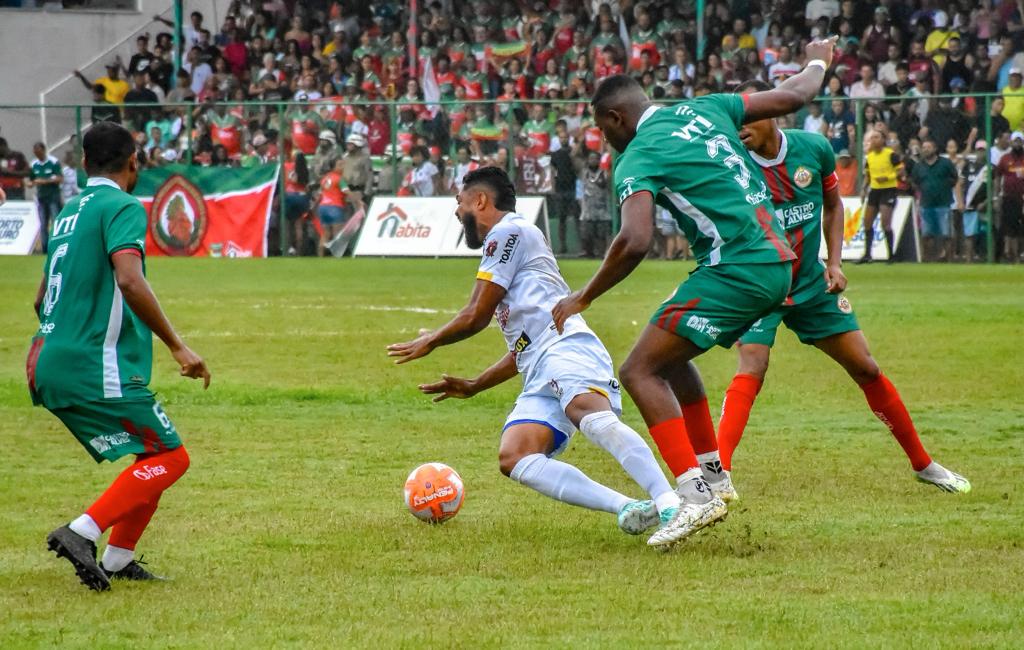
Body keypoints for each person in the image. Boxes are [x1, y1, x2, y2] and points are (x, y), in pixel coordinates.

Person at [551, 39, 840, 544]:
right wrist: (818, 58)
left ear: (616, 118)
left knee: (638, 370)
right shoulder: (708, 106)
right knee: (669, 355)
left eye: (602, 129)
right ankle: (715, 475)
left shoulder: (638, 154)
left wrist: (584, 296)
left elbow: (635, 239)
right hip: (780, 261)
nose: (605, 140)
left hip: (739, 266)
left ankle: (693, 495)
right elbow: (796, 94)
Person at [387, 166, 687, 548]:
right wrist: (477, 384)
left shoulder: (508, 232)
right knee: (515, 456)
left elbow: (475, 316)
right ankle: (630, 507)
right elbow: (522, 348)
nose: (456, 211)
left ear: (480, 201)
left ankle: (670, 503)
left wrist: (432, 340)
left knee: (587, 411)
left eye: (459, 202)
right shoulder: (512, 242)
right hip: (540, 363)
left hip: (566, 347)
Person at [716, 80, 970, 496]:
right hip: (761, 284)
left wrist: (834, 261)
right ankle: (718, 474)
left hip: (813, 282)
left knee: (866, 367)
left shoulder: (813, 149)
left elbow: (834, 206)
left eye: (747, 115)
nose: (739, 125)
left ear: (773, 111)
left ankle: (924, 465)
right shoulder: (731, 165)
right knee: (753, 367)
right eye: (734, 117)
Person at [30, 122, 210, 591]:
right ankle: (82, 530)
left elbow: (39, 298)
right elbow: (130, 279)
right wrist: (177, 345)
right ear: (135, 162)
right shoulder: (123, 206)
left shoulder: (69, 211)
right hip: (91, 364)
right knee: (172, 458)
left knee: (150, 452)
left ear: (84, 164)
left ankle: (117, 558)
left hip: (48, 358)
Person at [910, 139, 959, 262]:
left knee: (946, 233)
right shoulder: (919, 166)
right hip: (926, 203)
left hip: (943, 203)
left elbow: (954, 178)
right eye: (924, 147)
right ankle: (929, 258)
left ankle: (948, 259)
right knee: (927, 234)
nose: (926, 149)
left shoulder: (945, 163)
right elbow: (914, 181)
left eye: (928, 147)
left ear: (935, 149)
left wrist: (944, 187)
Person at [858, 130, 902, 263]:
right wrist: (863, 189)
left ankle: (891, 255)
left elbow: (900, 170)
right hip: (875, 191)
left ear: (883, 140)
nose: (874, 140)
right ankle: (867, 254)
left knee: (885, 223)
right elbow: (868, 175)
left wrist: (888, 177)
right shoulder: (869, 157)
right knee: (867, 222)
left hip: (888, 190)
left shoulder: (890, 154)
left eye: (877, 137)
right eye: (872, 138)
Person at [26, 142, 63, 254]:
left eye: (38, 152)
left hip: (53, 197)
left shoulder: (53, 162)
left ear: (43, 150)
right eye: (35, 153)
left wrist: (45, 181)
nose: (37, 154)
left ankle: (57, 246)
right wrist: (30, 184)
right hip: (41, 198)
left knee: (55, 222)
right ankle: (45, 249)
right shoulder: (33, 164)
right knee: (43, 224)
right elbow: (31, 179)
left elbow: (60, 178)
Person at [956, 142, 988, 264]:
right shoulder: (968, 167)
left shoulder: (990, 167)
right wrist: (960, 202)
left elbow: (993, 188)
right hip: (970, 204)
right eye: (978, 150)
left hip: (985, 205)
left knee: (987, 232)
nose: (980, 152)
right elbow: (959, 184)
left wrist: (986, 202)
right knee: (969, 234)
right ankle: (969, 261)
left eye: (983, 150)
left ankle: (987, 257)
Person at [995, 131, 1024, 263]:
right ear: (1011, 142)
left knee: (1018, 227)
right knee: (1010, 226)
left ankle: (1017, 254)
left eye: (1020, 141)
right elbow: (998, 176)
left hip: (1022, 198)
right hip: (1010, 198)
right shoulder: (1005, 158)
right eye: (1015, 141)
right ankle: (1011, 254)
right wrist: (997, 195)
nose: (1017, 143)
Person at [579, 150, 611, 258]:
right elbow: (580, 189)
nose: (593, 161)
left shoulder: (604, 173)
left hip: (602, 208)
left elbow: (608, 189)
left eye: (595, 159)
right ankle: (589, 253)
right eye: (591, 158)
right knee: (587, 233)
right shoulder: (584, 173)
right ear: (588, 160)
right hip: (587, 208)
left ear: (599, 160)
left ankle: (602, 253)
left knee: (601, 234)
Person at [317, 157, 347, 255]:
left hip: (323, 207)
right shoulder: (339, 178)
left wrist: (314, 206)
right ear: (333, 167)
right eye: (340, 165)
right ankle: (336, 257)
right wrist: (358, 200)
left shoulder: (325, 178)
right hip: (335, 207)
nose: (343, 167)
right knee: (337, 234)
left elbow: (320, 194)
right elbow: (346, 191)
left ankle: (320, 256)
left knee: (325, 234)